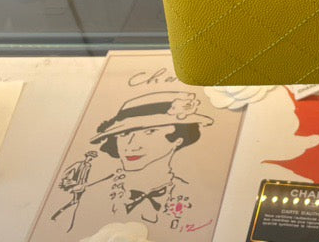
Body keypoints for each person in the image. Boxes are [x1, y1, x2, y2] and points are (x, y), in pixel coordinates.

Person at [53, 91, 214, 232]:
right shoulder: (94, 193)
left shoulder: (194, 196)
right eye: (124, 134)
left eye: (149, 132)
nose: (131, 145)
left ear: (178, 139)